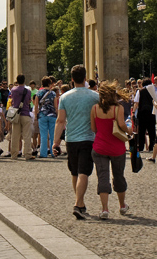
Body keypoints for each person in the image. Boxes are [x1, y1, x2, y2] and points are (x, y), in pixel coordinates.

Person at [53, 64, 100, 220]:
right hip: (88, 138)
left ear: (72, 80)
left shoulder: (65, 97)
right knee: (83, 172)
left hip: (71, 139)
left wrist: (56, 142)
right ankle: (78, 203)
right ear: (85, 78)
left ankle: (80, 203)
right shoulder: (95, 96)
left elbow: (60, 121)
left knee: (75, 172)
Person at [90, 81, 131, 219]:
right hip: (116, 147)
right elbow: (121, 124)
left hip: (100, 147)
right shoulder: (117, 108)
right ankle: (122, 205)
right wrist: (129, 130)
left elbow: (93, 129)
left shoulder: (94, 108)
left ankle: (105, 209)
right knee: (118, 176)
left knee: (103, 177)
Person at [8, 74, 35, 160]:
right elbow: (28, 101)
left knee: (15, 135)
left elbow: (12, 101)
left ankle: (14, 154)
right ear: (24, 80)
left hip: (16, 114)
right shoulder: (28, 91)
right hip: (25, 113)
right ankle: (27, 154)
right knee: (27, 135)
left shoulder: (13, 90)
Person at [36, 77, 58, 158]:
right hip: (52, 115)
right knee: (53, 135)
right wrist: (57, 114)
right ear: (49, 84)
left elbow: (36, 106)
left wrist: (36, 115)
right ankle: (53, 152)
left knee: (43, 135)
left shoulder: (39, 93)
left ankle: (43, 153)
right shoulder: (53, 93)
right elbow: (56, 106)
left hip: (42, 115)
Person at [133, 78, 157, 152]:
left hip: (142, 112)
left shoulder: (140, 91)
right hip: (151, 112)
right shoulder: (153, 91)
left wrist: (134, 112)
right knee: (152, 130)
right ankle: (152, 146)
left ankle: (141, 147)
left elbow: (136, 102)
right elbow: (156, 101)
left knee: (141, 130)